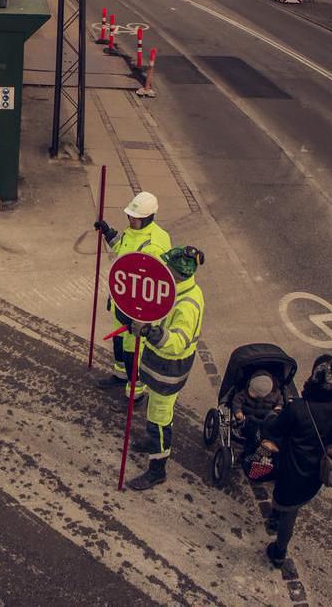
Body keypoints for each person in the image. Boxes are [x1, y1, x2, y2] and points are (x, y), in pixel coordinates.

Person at [125, 245, 206, 491]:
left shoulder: (187, 304)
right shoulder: (177, 291)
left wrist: (149, 332)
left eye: (167, 267)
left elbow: (177, 342)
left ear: (177, 272)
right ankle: (152, 442)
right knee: (155, 411)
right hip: (158, 367)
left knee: (160, 420)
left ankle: (156, 470)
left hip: (168, 371)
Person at [259, 354, 332, 567]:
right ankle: (275, 516)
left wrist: (272, 416)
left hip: (293, 466)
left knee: (289, 509)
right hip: (315, 470)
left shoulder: (300, 408)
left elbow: (274, 429)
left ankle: (279, 551)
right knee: (293, 503)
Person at [93, 192, 171, 391]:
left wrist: (140, 318)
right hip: (122, 301)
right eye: (129, 216)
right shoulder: (132, 231)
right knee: (119, 344)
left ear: (148, 217)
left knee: (132, 354)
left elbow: (154, 285)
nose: (130, 220)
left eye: (134, 218)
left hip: (137, 311)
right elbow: (122, 249)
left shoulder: (154, 243)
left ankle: (135, 393)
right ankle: (120, 376)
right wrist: (109, 233)